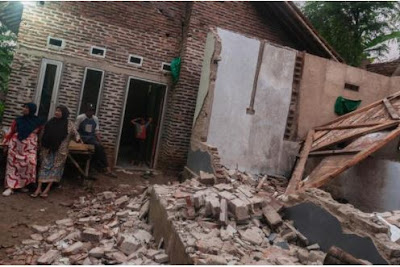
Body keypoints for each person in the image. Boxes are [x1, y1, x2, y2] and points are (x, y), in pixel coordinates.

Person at [32, 105, 81, 198]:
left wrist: (78, 139)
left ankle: (47, 189)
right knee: (44, 167)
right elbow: (42, 134)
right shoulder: (50, 122)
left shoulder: (69, 124)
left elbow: (76, 134)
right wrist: (40, 144)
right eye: (56, 110)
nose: (57, 112)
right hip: (47, 149)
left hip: (60, 151)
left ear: (64, 113)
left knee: (55, 168)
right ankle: (38, 188)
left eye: (59, 111)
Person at [2, 103, 44, 196]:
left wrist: (41, 145)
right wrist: (5, 144)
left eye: (26, 108)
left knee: (30, 164)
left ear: (32, 110)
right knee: (13, 166)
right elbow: (10, 132)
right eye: (24, 107)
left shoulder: (38, 122)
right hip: (15, 146)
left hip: (30, 147)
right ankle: (10, 187)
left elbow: (41, 134)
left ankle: (21, 185)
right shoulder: (18, 120)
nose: (24, 109)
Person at [75, 103, 116, 177]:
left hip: (91, 137)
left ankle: (102, 168)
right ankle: (104, 168)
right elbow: (75, 129)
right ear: (86, 111)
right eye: (89, 110)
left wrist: (100, 141)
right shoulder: (80, 117)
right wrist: (78, 139)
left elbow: (97, 132)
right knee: (97, 146)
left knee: (99, 147)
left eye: (92, 111)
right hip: (83, 137)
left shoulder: (95, 118)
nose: (90, 112)